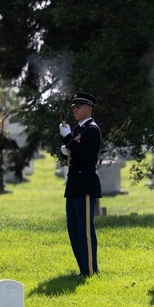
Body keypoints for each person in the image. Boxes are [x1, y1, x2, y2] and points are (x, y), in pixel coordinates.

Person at [59, 91, 102, 277]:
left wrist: (68, 139)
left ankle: (91, 269)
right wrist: (65, 151)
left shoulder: (92, 129)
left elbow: (84, 154)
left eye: (79, 106)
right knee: (74, 229)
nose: (75, 110)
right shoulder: (77, 130)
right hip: (74, 183)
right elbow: (74, 153)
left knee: (84, 230)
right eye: (74, 107)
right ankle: (82, 268)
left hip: (85, 183)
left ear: (89, 108)